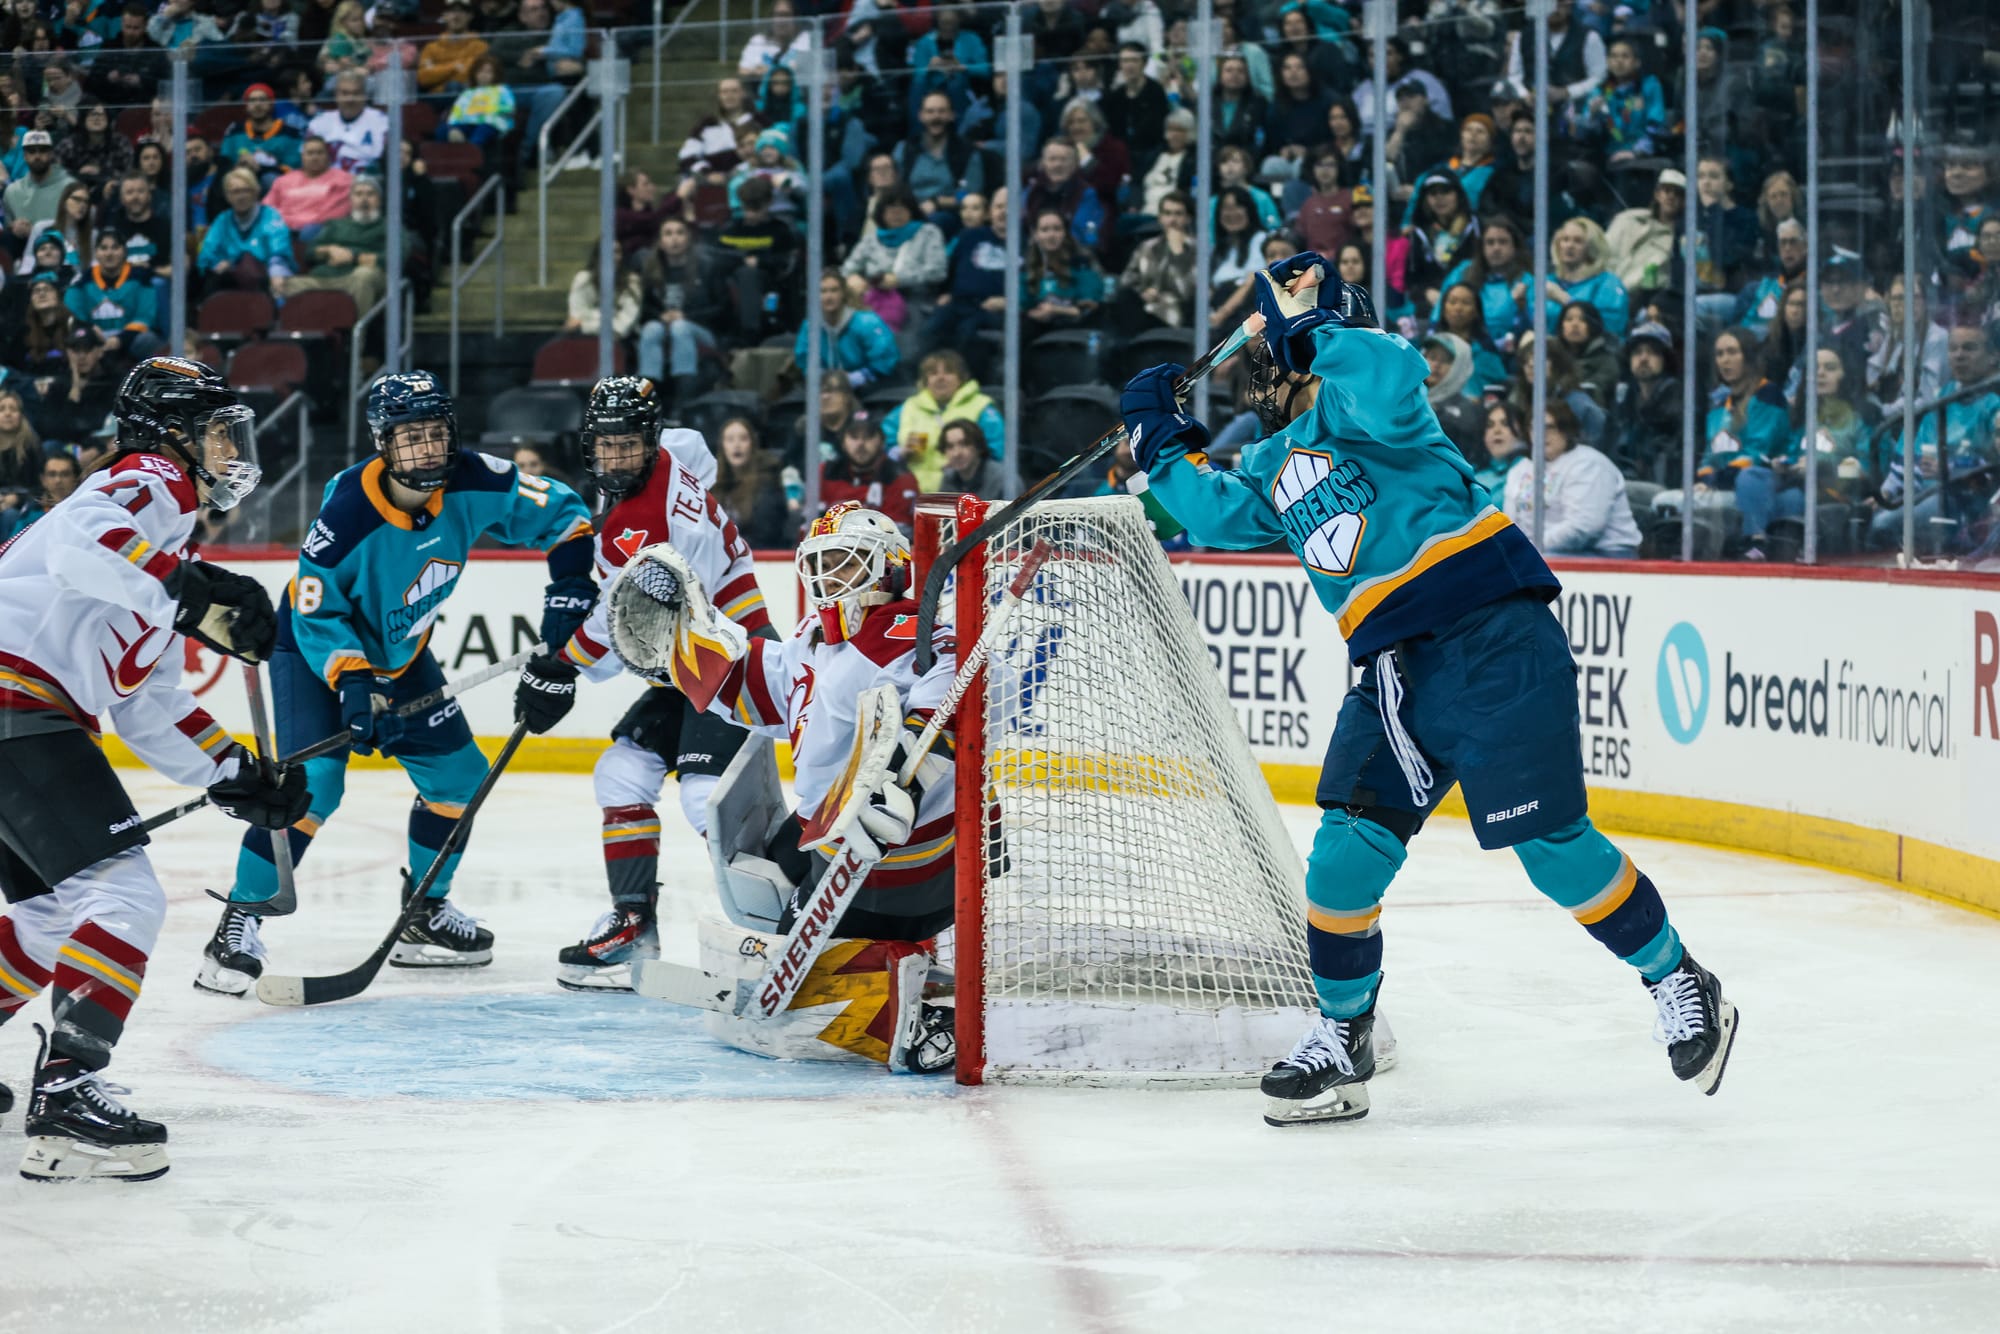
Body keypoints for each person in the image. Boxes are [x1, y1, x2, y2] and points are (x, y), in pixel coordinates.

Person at [1119, 255, 1737, 1125]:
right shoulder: (1265, 459)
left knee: (1552, 846)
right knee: (1341, 857)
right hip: (1390, 672)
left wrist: (1316, 321)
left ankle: (1679, 977)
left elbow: (1389, 369)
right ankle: (1344, 1038)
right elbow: (1212, 513)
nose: (1259, 375)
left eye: (1271, 352)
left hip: (1493, 636)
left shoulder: (1370, 401)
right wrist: (1160, 442)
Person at [194, 371, 596, 997]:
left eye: (437, 434)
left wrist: (570, 589)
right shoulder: (346, 515)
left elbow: (568, 517)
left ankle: (424, 914)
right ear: (383, 444)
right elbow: (314, 609)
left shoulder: (477, 479)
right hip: (311, 649)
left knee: (460, 782)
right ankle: (239, 920)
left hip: (403, 658)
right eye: (412, 438)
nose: (429, 450)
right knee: (311, 786)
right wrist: (355, 686)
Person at [0, 356, 298, 1180]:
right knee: (122, 892)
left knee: (50, 916)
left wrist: (236, 771)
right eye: (214, 430)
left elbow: (146, 702)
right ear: (172, 436)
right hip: (15, 703)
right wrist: (192, 586)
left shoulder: (162, 545)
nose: (228, 448)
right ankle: (66, 1095)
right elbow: (84, 541)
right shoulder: (151, 478)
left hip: (26, 711)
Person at [673, 501, 960, 1072]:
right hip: (844, 834)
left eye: (846, 563)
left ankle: (904, 1011)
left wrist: (905, 779)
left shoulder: (914, 634)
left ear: (891, 569)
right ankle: (887, 954)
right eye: (821, 562)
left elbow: (944, 719)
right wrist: (681, 641)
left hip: (900, 852)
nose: (830, 577)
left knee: (788, 967)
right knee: (772, 860)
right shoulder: (813, 638)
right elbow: (758, 689)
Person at [540, 378, 774, 990]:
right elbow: (696, 447)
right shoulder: (671, 455)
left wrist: (564, 662)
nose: (615, 460)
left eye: (627, 447)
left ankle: (786, 922)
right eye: (606, 446)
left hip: (733, 663)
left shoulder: (648, 522)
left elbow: (630, 627)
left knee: (706, 798)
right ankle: (633, 926)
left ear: (646, 443)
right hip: (693, 663)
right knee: (621, 772)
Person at [1868, 324, 2000, 554]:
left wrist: (1948, 469)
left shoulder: (1993, 404)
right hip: (1924, 492)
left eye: (1969, 348)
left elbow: (1991, 468)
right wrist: (1888, 490)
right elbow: (1914, 451)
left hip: (1964, 502)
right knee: (1867, 517)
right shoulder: (1943, 395)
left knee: (1882, 524)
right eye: (1953, 349)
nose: (1959, 355)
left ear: (1993, 357)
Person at [1501, 399, 1644, 557]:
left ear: (1567, 430)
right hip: (1541, 551)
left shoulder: (1589, 464)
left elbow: (1583, 527)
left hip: (1606, 554)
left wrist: (1530, 548)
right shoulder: (1520, 469)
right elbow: (1511, 523)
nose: (1542, 434)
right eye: (1535, 428)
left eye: (1550, 427)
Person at [277, 175, 415, 311]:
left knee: (364, 276)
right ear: (351, 200)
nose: (364, 199)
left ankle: (357, 332)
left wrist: (353, 257)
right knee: (283, 284)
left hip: (365, 278)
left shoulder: (390, 226)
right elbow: (309, 253)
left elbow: (397, 258)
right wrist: (329, 250)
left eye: (370, 194)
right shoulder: (336, 225)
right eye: (358, 194)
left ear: (379, 200)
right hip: (325, 279)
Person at [634, 216, 732, 400]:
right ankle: (649, 398)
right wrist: (660, 315)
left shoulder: (707, 266)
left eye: (680, 233)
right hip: (663, 326)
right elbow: (643, 308)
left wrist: (686, 316)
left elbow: (723, 308)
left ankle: (684, 398)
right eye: (668, 234)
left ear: (688, 238)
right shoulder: (650, 268)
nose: (674, 239)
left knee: (680, 328)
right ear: (660, 241)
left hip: (703, 330)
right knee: (650, 329)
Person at [881, 350, 1003, 492]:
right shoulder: (907, 408)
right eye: (933, 373)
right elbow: (882, 444)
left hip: (964, 492)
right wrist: (898, 452)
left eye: (948, 372)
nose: (941, 378)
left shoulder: (982, 408)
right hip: (911, 495)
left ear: (961, 378)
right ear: (925, 381)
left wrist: (966, 463)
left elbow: (995, 453)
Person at [840, 187, 947, 332]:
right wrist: (852, 278)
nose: (896, 213)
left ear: (912, 210)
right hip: (873, 301)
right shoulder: (871, 239)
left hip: (915, 302)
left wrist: (899, 280)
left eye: (902, 208)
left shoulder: (929, 233)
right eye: (890, 209)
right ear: (882, 213)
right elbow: (846, 270)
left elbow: (938, 271)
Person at [64, 229, 161, 360]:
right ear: (96, 253)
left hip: (130, 341)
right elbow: (72, 313)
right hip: (94, 343)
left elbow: (145, 317)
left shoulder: (140, 277)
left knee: (148, 340)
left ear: (124, 252)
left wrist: (120, 339)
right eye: (103, 248)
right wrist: (90, 330)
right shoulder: (83, 281)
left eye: (115, 247)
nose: (109, 253)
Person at [1112, 188, 1198, 334]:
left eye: (1178, 214)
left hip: (1178, 312)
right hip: (1145, 309)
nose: (1172, 220)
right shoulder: (1147, 247)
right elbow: (1127, 280)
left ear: (1188, 218)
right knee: (1124, 298)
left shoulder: (1197, 249)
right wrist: (1143, 291)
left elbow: (1187, 292)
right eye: (1167, 213)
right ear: (1160, 218)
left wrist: (1178, 253)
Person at [795, 272, 900, 391]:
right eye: (822, 291)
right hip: (825, 387)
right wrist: (824, 378)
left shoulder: (868, 322)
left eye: (834, 290)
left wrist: (854, 378)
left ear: (843, 293)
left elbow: (885, 359)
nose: (828, 296)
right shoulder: (810, 326)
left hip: (869, 386)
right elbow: (804, 360)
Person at [197, 168, 295, 295]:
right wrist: (218, 263)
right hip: (232, 280)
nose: (241, 196)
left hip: (266, 278)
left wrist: (276, 271)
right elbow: (207, 255)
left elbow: (278, 249)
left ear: (256, 192)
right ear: (227, 196)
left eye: (246, 190)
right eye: (235, 192)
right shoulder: (223, 220)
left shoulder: (270, 216)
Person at [1610, 320, 1683, 484]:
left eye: (1652, 352)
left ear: (1666, 359)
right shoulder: (1625, 396)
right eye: (1637, 352)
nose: (1643, 358)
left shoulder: (1676, 397)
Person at [818, 412, 918, 531]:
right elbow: (810, 522)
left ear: (882, 441)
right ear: (843, 443)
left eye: (868, 437)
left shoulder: (899, 477)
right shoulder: (826, 471)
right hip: (828, 545)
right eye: (854, 437)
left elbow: (897, 533)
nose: (860, 443)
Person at [711, 414, 796, 548]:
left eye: (743, 439)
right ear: (722, 446)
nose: (736, 445)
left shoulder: (767, 484)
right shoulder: (714, 485)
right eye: (730, 439)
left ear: (752, 444)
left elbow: (766, 535)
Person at [1023, 207, 1106, 334]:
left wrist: (1055, 310)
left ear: (1065, 233)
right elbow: (1023, 304)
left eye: (1057, 229)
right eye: (1045, 230)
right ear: (1036, 235)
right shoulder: (1027, 265)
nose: (1051, 235)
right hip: (1038, 326)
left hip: (1076, 325)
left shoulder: (1081, 261)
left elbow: (1089, 307)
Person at [1544, 216, 1630, 337]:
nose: (1569, 245)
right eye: (1565, 240)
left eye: (1578, 241)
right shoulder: (1547, 282)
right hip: (1550, 352)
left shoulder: (1608, 283)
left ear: (1592, 247)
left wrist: (1565, 300)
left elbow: (1610, 327)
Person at [1605, 168, 1684, 298]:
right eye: (1667, 190)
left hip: (1639, 298)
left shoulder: (1679, 239)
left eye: (1678, 193)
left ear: (1685, 201)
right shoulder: (1627, 219)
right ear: (1657, 194)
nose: (1671, 196)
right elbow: (1602, 253)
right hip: (1603, 287)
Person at [261, 136, 353, 241]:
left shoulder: (343, 180)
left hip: (319, 231)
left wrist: (291, 220)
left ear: (328, 156)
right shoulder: (283, 181)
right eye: (310, 153)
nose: (315, 157)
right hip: (284, 229)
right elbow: (267, 209)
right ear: (302, 157)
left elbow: (333, 215)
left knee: (310, 230)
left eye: (320, 153)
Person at [307, 70, 390, 175]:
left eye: (356, 93)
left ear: (364, 95)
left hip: (367, 184)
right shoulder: (318, 123)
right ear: (336, 95)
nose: (350, 99)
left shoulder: (382, 122)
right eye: (345, 93)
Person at [218, 84, 302, 187]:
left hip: (277, 188)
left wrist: (261, 168)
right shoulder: (235, 131)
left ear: (271, 104)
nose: (257, 104)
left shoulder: (290, 133)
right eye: (252, 101)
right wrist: (239, 166)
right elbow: (223, 166)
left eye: (262, 100)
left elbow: (293, 171)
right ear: (246, 106)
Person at [1420, 331, 1485, 459]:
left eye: (1445, 360)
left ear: (1459, 366)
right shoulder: (1411, 400)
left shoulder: (1466, 411)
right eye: (1432, 357)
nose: (1436, 365)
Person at [5, 132, 74, 248]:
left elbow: (76, 229)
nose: (37, 156)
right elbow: (7, 224)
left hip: (62, 248)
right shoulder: (12, 191)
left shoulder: (70, 187)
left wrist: (35, 231)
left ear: (51, 154)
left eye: (42, 151)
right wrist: (14, 226)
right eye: (32, 152)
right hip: (23, 250)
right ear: (24, 156)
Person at [1104, 41, 1167, 158]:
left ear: (1144, 63)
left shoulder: (1155, 91)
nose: (1129, 65)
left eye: (1134, 60)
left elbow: (1156, 128)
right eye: (1125, 61)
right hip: (1122, 153)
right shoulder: (1115, 96)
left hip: (1150, 151)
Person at [418, 0, 487, 97]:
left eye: (461, 12)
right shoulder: (430, 48)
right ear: (444, 16)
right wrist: (455, 66)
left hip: (469, 98)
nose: (456, 16)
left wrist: (436, 71)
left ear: (470, 16)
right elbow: (423, 78)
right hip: (438, 99)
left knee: (454, 86)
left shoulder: (480, 47)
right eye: (451, 11)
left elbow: (473, 77)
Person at [938, 418, 1005, 498]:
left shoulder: (1002, 480)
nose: (956, 453)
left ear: (978, 446)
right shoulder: (949, 477)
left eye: (964, 444)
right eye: (950, 446)